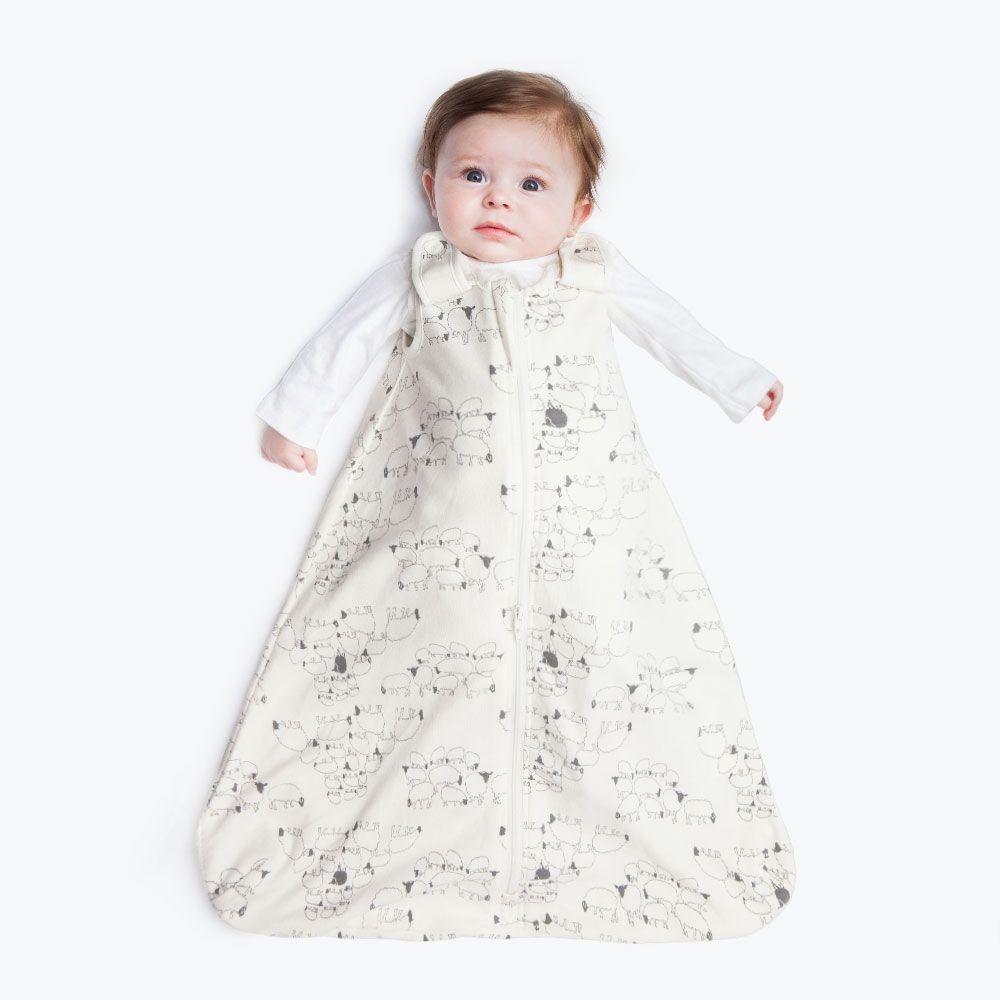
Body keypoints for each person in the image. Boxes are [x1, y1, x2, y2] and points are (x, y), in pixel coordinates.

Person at [198, 69, 796, 942]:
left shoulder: (592, 277)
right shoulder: (426, 276)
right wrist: (296, 417)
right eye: (472, 175)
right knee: (441, 649)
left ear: (579, 212)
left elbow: (675, 330)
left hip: (587, 518)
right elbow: (343, 342)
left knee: (594, 652)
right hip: (445, 519)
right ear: (430, 186)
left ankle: (576, 820)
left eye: (531, 184)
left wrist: (739, 382)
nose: (498, 200)